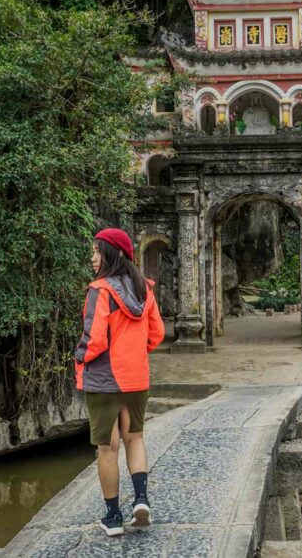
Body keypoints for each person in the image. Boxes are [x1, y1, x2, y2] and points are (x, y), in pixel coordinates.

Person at [74, 228, 165, 537]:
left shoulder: (99, 291)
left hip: (103, 381)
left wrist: (79, 356)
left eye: (97, 252)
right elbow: (157, 334)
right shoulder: (144, 290)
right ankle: (141, 501)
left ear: (110, 254)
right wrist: (135, 353)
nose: (92, 258)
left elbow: (94, 339)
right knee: (135, 438)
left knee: (107, 448)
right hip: (137, 378)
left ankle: (113, 517)